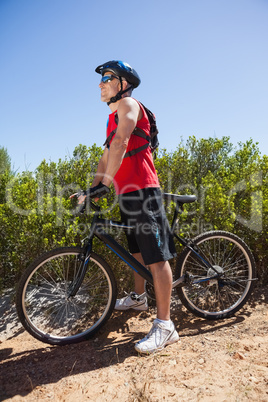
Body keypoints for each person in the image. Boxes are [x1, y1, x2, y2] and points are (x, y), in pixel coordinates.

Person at [74, 60, 179, 354]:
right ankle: (138, 297)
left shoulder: (129, 105)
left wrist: (105, 184)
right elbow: (106, 156)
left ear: (123, 84)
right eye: (102, 78)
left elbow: (121, 143)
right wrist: (94, 188)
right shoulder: (111, 119)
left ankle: (165, 325)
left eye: (107, 78)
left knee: (156, 258)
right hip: (127, 193)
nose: (101, 83)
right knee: (137, 249)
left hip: (144, 190)